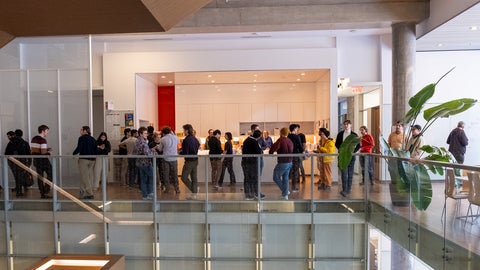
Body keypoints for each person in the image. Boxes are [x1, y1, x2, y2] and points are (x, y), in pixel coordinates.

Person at [335, 120, 360, 197]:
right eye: (345, 124)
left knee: (350, 173)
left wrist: (353, 152)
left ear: (350, 125)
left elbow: (359, 145)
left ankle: (348, 189)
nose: (346, 126)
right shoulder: (340, 134)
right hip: (343, 156)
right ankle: (344, 189)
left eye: (347, 124)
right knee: (344, 173)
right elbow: (337, 144)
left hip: (351, 157)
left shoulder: (354, 134)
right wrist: (342, 150)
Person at [73, 126, 98, 200]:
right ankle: (82, 192)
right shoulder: (93, 139)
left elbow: (79, 148)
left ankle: (90, 194)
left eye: (81, 130)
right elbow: (96, 150)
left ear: (85, 131)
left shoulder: (82, 138)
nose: (80, 131)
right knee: (87, 176)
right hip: (92, 160)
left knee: (85, 177)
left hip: (84, 160)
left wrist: (73, 153)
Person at [5, 129, 32, 197]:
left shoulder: (11, 142)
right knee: (20, 175)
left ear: (15, 134)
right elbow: (28, 153)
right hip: (23, 161)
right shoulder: (24, 142)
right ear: (22, 134)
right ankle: (21, 189)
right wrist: (29, 163)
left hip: (13, 161)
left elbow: (6, 152)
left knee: (16, 176)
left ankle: (19, 190)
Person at [269, 127, 293, 200]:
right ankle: (285, 195)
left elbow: (273, 148)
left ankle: (285, 191)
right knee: (285, 178)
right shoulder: (289, 140)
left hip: (283, 162)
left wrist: (271, 153)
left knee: (276, 177)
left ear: (281, 133)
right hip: (290, 162)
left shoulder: (281, 140)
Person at [31, 125, 53, 199]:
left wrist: (46, 149)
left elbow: (34, 150)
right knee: (51, 174)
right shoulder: (43, 140)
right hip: (44, 161)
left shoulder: (33, 139)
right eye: (47, 131)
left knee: (40, 177)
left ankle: (42, 193)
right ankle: (46, 190)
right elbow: (43, 153)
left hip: (36, 161)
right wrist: (48, 152)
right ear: (43, 131)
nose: (47, 133)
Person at [180, 124, 201, 200]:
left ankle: (194, 190)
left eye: (184, 130)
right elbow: (198, 146)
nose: (183, 132)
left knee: (183, 177)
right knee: (194, 177)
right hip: (195, 160)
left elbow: (185, 152)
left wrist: (180, 152)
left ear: (186, 131)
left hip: (189, 161)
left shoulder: (186, 140)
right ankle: (194, 193)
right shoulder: (195, 139)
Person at [135, 126, 156, 200]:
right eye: (145, 133)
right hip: (145, 163)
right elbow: (147, 153)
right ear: (141, 134)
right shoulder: (143, 142)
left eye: (146, 133)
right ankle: (150, 193)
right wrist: (153, 153)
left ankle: (145, 195)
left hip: (140, 163)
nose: (146, 134)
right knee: (152, 176)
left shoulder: (138, 140)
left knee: (143, 179)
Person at [241, 129, 263, 200]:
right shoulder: (254, 142)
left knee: (247, 178)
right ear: (259, 136)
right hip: (252, 162)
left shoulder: (247, 140)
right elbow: (258, 152)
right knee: (254, 178)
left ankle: (248, 194)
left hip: (245, 161)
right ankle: (255, 193)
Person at [157, 126, 180, 193]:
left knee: (166, 174)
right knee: (174, 174)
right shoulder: (176, 137)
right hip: (174, 158)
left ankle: (167, 189)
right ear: (170, 131)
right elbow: (178, 145)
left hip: (166, 158)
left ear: (163, 132)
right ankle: (177, 188)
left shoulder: (163, 139)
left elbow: (160, 149)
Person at [287, 124, 303, 193]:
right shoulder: (297, 137)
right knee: (295, 171)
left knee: (289, 171)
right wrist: (302, 151)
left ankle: (287, 187)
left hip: (289, 156)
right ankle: (293, 187)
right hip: (296, 156)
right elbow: (300, 147)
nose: (297, 130)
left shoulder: (288, 136)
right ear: (294, 129)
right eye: (297, 129)